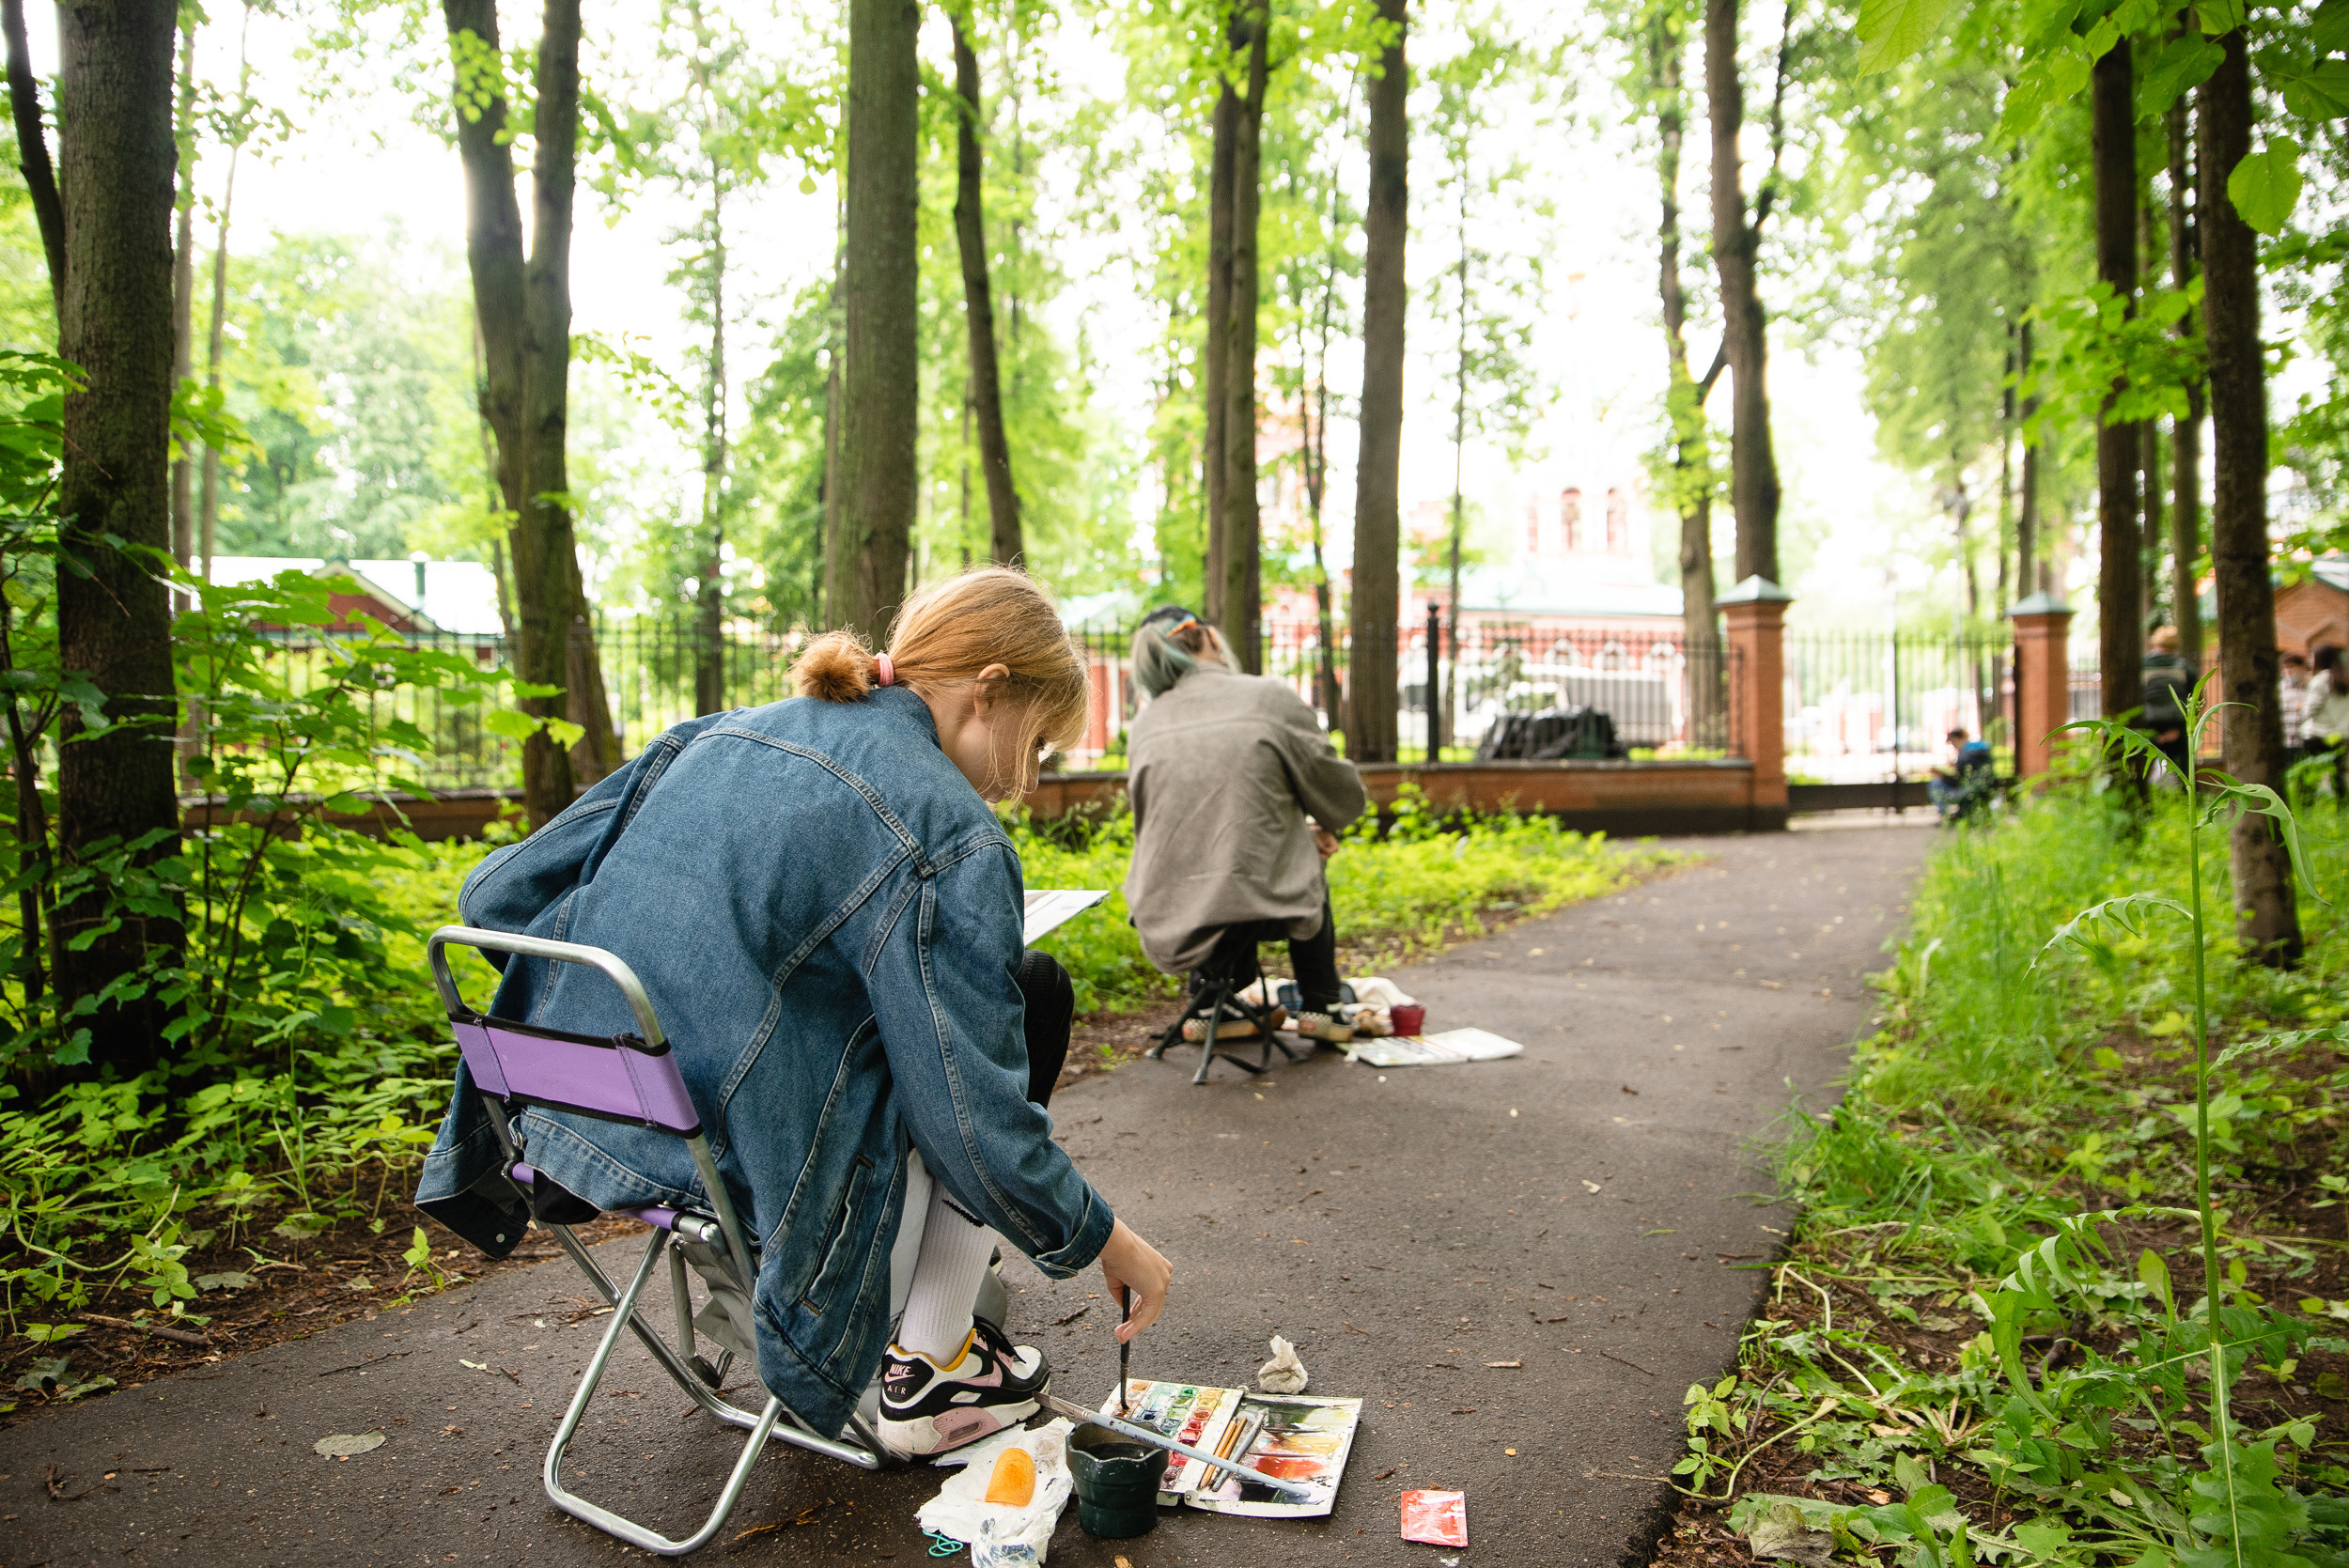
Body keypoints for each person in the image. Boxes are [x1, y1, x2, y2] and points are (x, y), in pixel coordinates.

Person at [414, 567, 1173, 1457]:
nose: (1031, 775)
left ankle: (936, 1342)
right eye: (1039, 741)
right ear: (990, 691)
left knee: (989, 1001)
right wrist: (1109, 1240)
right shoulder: (949, 831)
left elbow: (493, 895)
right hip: (745, 1164)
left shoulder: (711, 734)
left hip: (565, 1120)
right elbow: (976, 1129)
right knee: (1014, 1014)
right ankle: (928, 1359)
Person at [1123, 606, 1368, 1044]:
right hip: (1265, 899)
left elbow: (1156, 824)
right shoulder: (1267, 697)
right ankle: (1322, 1003)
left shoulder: (1145, 723)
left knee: (1220, 850)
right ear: (1207, 638)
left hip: (1170, 902)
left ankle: (1210, 1002)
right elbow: (1339, 792)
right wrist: (1322, 826)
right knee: (1293, 852)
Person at [2139, 625, 2196, 782]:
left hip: (2148, 725)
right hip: (2176, 725)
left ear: (2155, 643)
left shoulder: (2142, 665)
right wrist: (2179, 729)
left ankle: (2142, 799)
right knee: (2185, 770)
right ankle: (2189, 797)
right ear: (2176, 645)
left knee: (2144, 767)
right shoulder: (2185, 668)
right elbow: (2194, 701)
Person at [2305, 644, 2349, 804]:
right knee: (2338, 774)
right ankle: (2342, 808)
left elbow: (2309, 710)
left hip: (2319, 734)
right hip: (2342, 734)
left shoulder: (2320, 681)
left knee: (2312, 774)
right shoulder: (2343, 678)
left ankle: (2309, 806)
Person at [1927, 727, 1994, 822]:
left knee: (1935, 784)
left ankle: (1944, 816)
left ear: (1957, 739)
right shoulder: (1981, 748)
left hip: (1967, 791)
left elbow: (1960, 779)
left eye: (1953, 743)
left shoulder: (1965, 754)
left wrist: (1943, 776)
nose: (1954, 746)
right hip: (1984, 788)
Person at [2280, 650, 2312, 763]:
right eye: (2285, 668)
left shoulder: (2310, 687)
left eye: (2292, 667)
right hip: (2286, 740)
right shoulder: (2281, 688)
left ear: (2301, 667)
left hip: (2304, 741)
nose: (2288, 671)